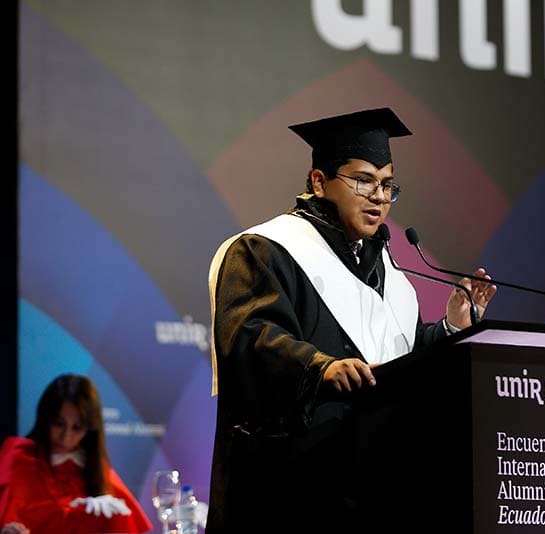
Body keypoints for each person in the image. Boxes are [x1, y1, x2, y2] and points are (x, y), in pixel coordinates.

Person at [206, 107, 496, 532]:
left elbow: (403, 367)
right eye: (363, 180)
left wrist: (450, 329)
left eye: (387, 184)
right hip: (290, 495)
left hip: (374, 491)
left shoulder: (391, 276)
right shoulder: (265, 251)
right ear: (319, 182)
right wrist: (321, 368)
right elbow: (250, 339)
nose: (378, 196)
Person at [0, 374, 152, 534]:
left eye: (77, 428)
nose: (66, 438)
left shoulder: (95, 468)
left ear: (90, 430)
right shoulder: (19, 457)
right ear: (45, 419)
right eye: (59, 424)